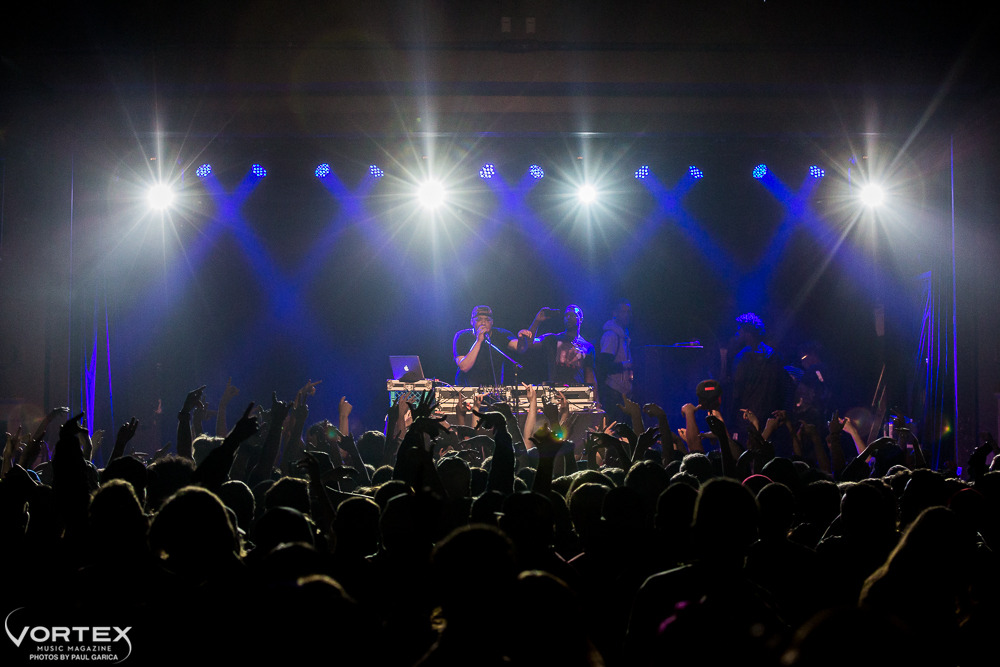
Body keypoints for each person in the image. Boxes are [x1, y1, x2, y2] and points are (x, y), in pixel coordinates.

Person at [520, 305, 598, 400]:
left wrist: (595, 400)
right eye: (566, 315)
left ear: (581, 319)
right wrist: (537, 321)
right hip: (555, 392)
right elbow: (530, 344)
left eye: (572, 315)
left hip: (577, 394)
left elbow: (590, 376)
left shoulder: (587, 347)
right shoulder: (553, 339)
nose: (568, 317)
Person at [452, 305, 525, 386]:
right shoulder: (461, 336)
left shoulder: (501, 334)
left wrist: (522, 338)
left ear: (492, 322)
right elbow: (464, 367)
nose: (483, 323)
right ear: (472, 322)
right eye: (479, 320)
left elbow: (520, 348)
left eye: (487, 320)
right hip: (466, 389)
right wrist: (478, 341)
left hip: (494, 389)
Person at [598, 300, 633, 415]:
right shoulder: (611, 335)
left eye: (628, 312)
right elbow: (604, 365)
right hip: (613, 391)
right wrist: (627, 364)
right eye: (623, 312)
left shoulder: (623, 335)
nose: (626, 315)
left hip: (622, 392)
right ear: (615, 313)